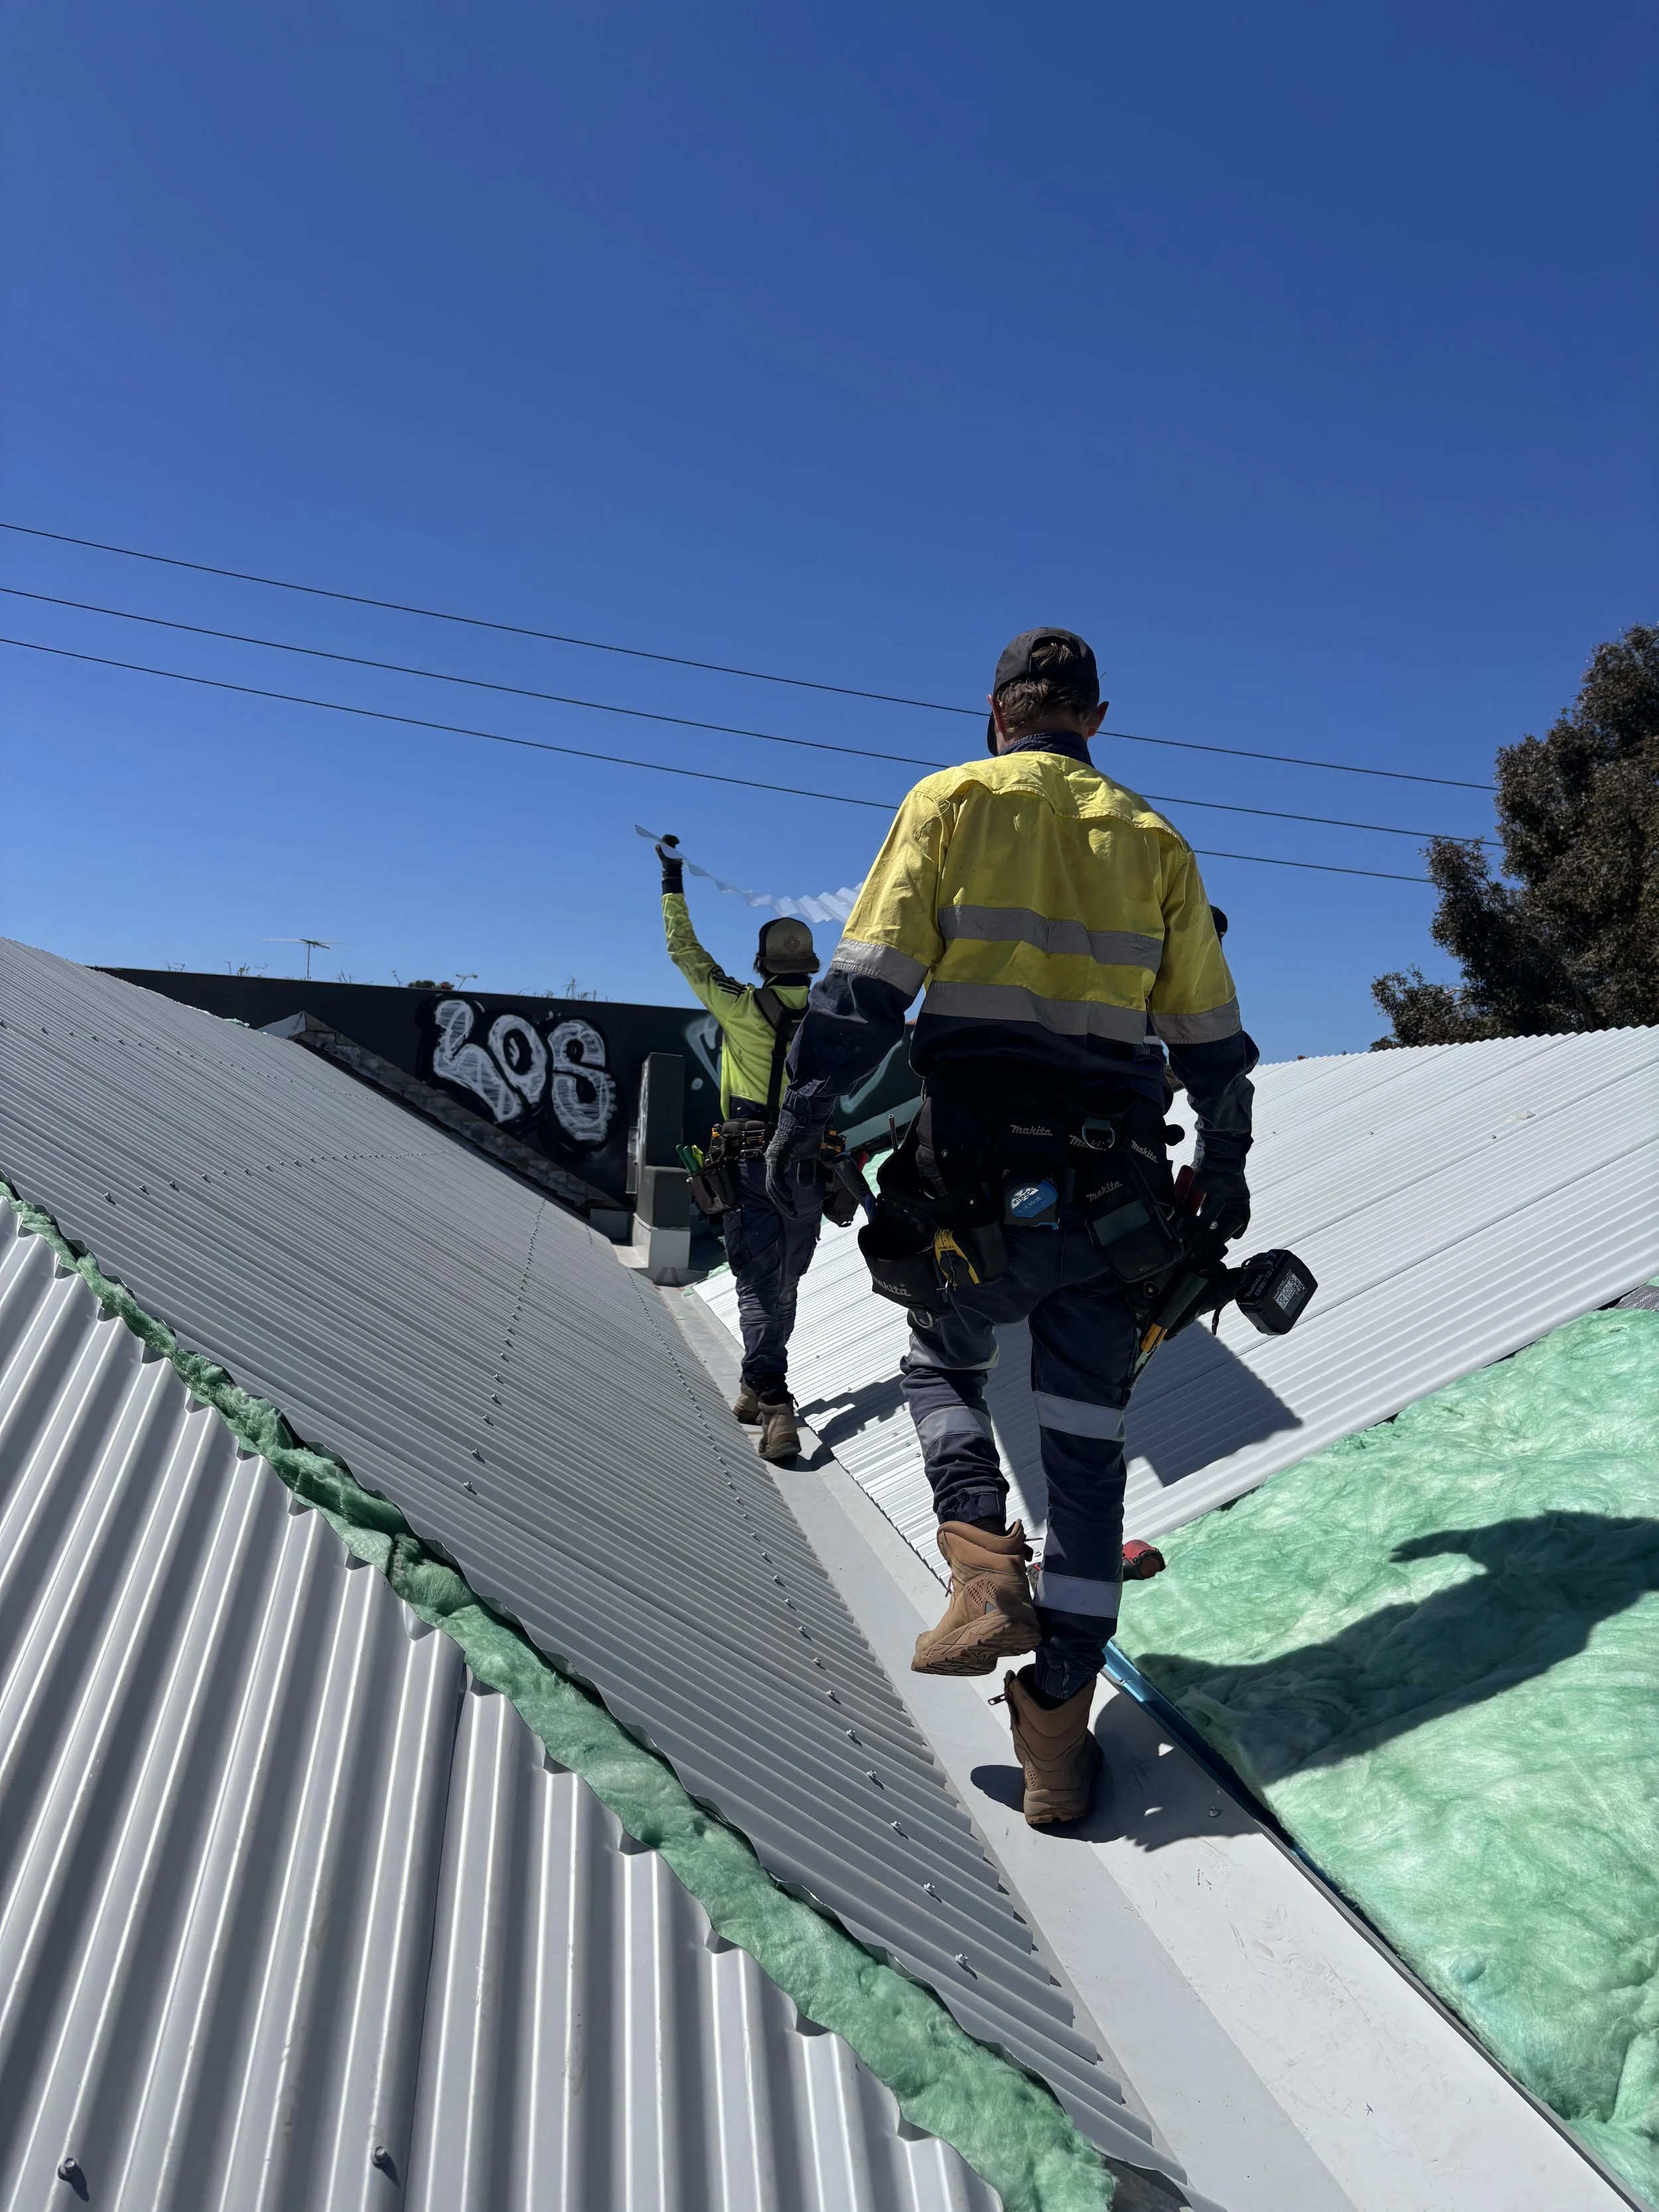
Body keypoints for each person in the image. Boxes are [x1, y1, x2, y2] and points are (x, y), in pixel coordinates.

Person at [765, 630, 1256, 1825]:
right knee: (1087, 1447)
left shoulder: (952, 800)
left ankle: (983, 1567)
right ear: (1096, 716)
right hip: (1119, 1197)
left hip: (972, 1170)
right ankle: (1057, 1736)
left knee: (941, 1357)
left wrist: (802, 1115)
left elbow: (868, 985)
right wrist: (1229, 1167)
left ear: (997, 712)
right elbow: (1212, 1043)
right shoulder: (1156, 841)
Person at [656, 840, 824, 1462]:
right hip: (807, 1167)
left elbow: (685, 951)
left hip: (750, 1164)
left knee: (756, 1281)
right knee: (785, 1282)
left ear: (761, 963)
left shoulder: (741, 1006)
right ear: (809, 965)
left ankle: (774, 1400)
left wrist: (673, 880)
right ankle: (758, 1385)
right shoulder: (832, 1018)